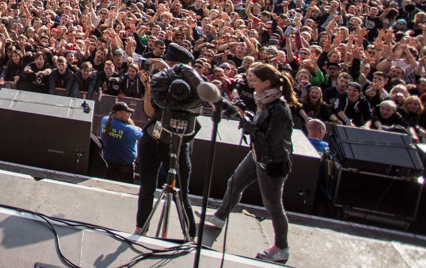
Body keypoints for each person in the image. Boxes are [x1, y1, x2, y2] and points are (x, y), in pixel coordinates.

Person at [207, 63, 299, 264]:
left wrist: (246, 122)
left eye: (255, 81)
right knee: (235, 183)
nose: (251, 84)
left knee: (273, 206)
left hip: (272, 162)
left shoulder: (280, 108)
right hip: (258, 155)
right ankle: (220, 216)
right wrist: (247, 116)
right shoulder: (265, 100)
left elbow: (269, 139)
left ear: (267, 83)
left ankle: (281, 248)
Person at [135, 43, 199, 240]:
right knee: (146, 187)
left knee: (181, 193)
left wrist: (169, 71)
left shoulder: (192, 86)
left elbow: (192, 102)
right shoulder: (162, 81)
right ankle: (140, 227)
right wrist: (148, 87)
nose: (165, 65)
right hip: (153, 139)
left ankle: (190, 235)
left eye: (171, 62)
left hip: (176, 144)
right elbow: (150, 113)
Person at [100, 101, 143, 183]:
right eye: (127, 112)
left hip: (107, 163)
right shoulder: (130, 130)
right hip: (124, 169)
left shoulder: (104, 120)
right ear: (119, 114)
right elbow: (144, 134)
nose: (129, 115)